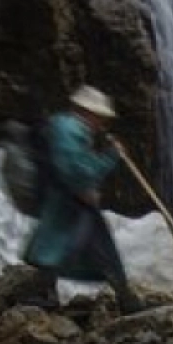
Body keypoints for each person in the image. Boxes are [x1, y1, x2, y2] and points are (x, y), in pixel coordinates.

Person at [22, 85, 146, 314]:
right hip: (71, 202)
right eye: (100, 117)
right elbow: (81, 171)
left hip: (66, 201)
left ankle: (43, 292)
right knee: (95, 248)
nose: (102, 124)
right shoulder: (71, 130)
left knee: (59, 245)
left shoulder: (65, 127)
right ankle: (126, 298)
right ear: (89, 112)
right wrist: (110, 157)